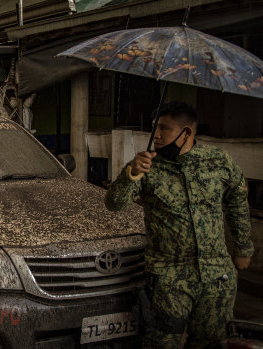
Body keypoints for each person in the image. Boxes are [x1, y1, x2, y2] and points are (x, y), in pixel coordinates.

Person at [104, 101, 253, 349]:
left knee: (211, 343)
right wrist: (130, 172)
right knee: (161, 341)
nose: (157, 136)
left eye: (164, 128)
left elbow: (237, 200)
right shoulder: (147, 166)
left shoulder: (219, 161)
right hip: (169, 278)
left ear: (187, 133)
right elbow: (114, 203)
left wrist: (243, 247)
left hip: (217, 276)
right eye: (155, 128)